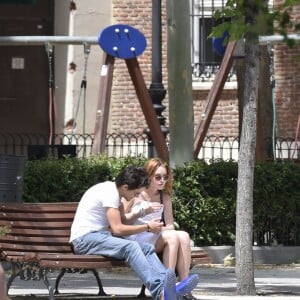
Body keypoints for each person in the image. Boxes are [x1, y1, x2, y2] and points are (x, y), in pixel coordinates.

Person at [69, 165, 199, 300]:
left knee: (147, 248)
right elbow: (117, 229)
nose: (135, 196)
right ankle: (161, 291)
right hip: (84, 239)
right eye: (136, 193)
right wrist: (147, 227)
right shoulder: (110, 193)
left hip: (99, 237)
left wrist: (143, 212)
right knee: (131, 247)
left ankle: (168, 288)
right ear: (125, 187)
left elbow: (123, 219)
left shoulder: (113, 190)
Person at [121, 159, 197, 300]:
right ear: (148, 176)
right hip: (137, 238)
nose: (162, 181)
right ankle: (167, 286)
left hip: (156, 236)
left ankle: (185, 288)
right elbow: (123, 219)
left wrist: (159, 228)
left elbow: (170, 225)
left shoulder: (164, 196)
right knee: (173, 237)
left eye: (165, 177)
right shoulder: (136, 193)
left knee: (184, 236)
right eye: (158, 177)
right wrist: (148, 226)